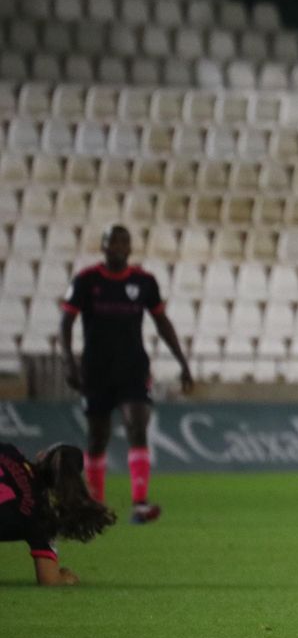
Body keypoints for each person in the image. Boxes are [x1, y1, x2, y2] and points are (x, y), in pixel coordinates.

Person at [58, 224, 195, 523]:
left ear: (130, 248)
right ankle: (95, 504)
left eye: (123, 242)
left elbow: (162, 322)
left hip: (133, 369)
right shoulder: (86, 280)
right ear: (103, 246)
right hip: (96, 371)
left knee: (137, 426)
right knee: (97, 437)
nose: (118, 247)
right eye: (113, 241)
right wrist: (68, 362)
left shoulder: (144, 282)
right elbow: (66, 321)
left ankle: (140, 503)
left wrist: (182, 362)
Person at [0, 442, 115, 585]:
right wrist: (68, 578)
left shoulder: (9, 451)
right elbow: (50, 580)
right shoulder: (41, 515)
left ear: (41, 455)